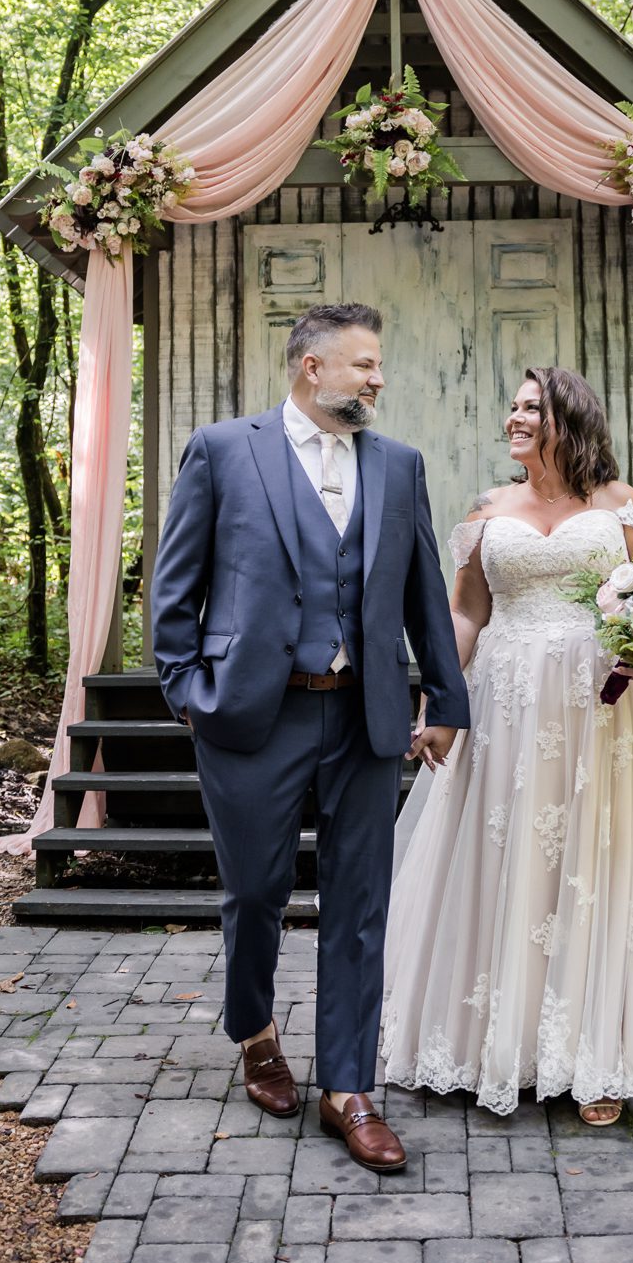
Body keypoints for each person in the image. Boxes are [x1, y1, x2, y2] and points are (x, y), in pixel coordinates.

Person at [151, 302, 468, 1172]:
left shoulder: (398, 466)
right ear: (311, 369)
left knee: (360, 905)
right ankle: (254, 1031)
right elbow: (174, 584)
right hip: (252, 715)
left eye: (378, 365)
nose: (377, 379)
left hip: (363, 715)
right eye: (363, 364)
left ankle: (347, 1087)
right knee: (253, 891)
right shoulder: (223, 451)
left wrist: (445, 696)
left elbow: (422, 592)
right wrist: (186, 690)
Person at [381, 366, 633, 1126]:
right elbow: (465, 613)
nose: (514, 418)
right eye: (512, 406)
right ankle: (484, 1044)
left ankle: (596, 1056)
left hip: (600, 711)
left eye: (530, 407)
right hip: (502, 706)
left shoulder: (620, 505)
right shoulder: (488, 508)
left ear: (568, 418)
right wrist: (438, 698)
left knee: (593, 869)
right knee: (502, 862)